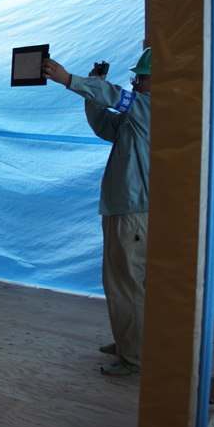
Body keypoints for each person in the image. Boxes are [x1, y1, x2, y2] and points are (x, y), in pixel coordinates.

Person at [42, 49, 151, 377]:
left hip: (133, 211)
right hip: (126, 209)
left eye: (141, 76)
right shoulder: (139, 113)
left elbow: (116, 96)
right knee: (126, 281)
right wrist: (91, 93)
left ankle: (135, 357)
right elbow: (105, 126)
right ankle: (132, 343)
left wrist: (69, 80)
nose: (135, 82)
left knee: (126, 283)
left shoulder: (151, 107)